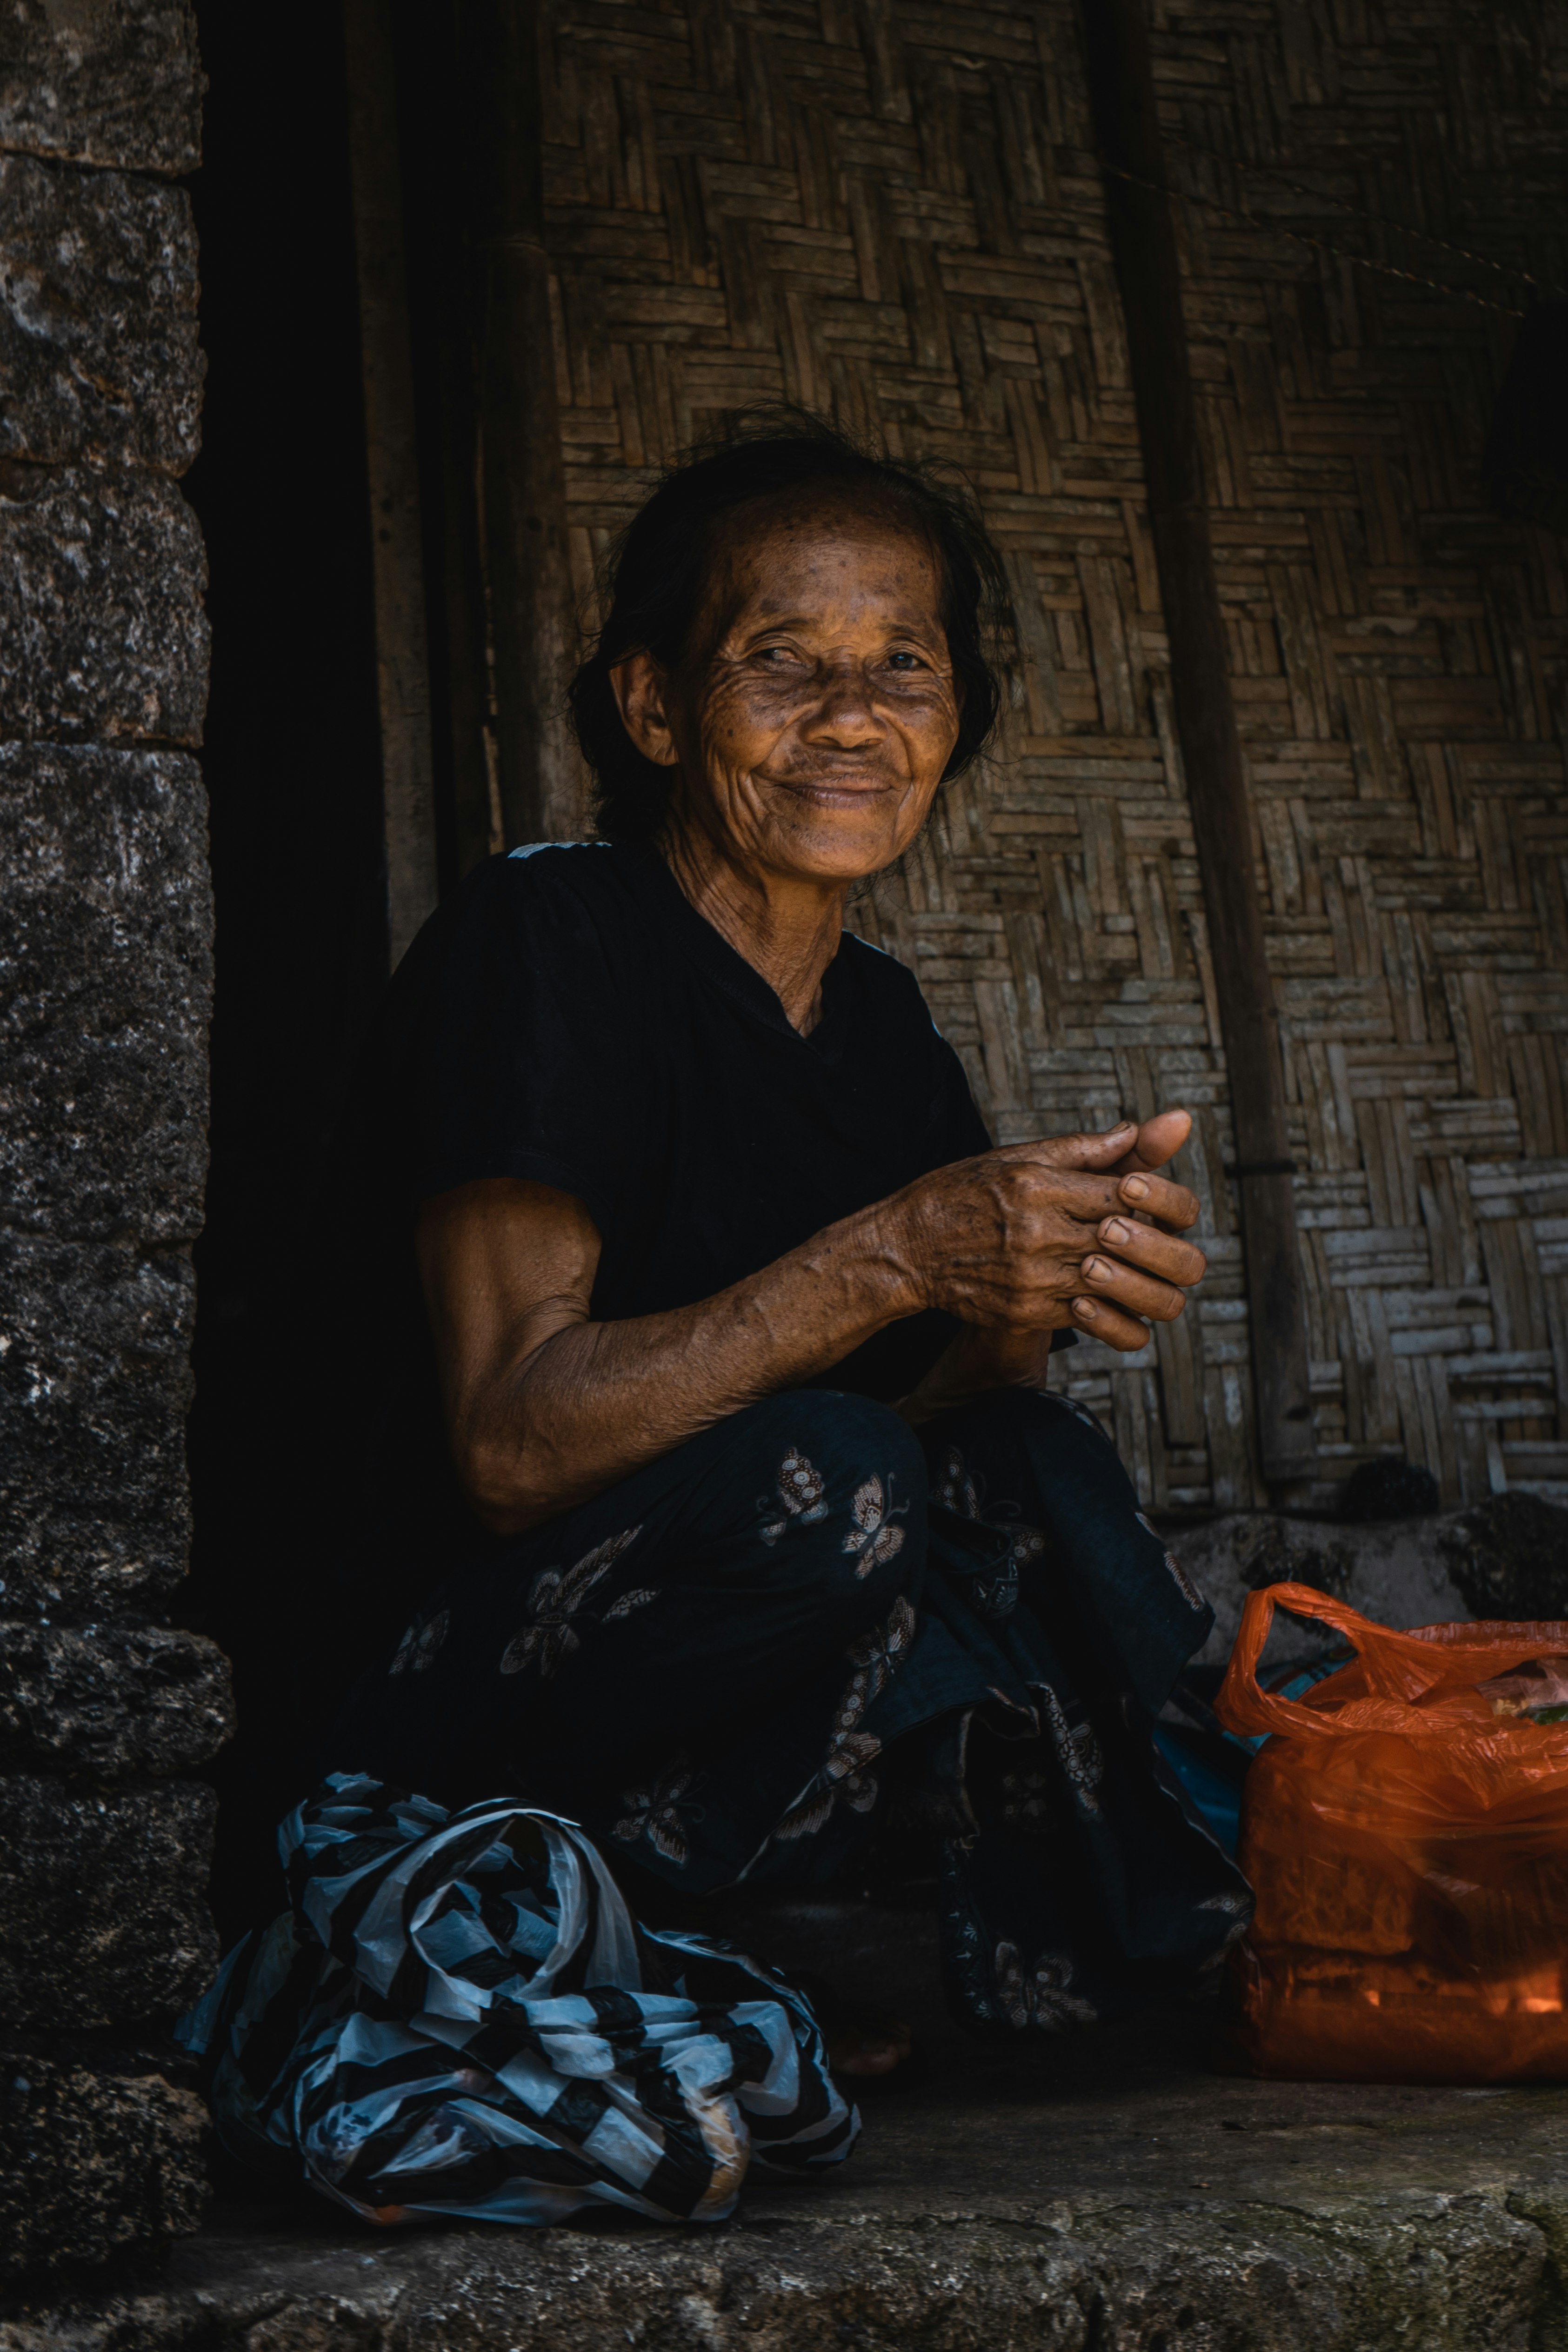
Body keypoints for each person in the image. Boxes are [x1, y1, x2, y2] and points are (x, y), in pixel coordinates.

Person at [182, 411, 1249, 2229]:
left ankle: (1207, 1927)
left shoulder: (884, 1026)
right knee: (828, 1473)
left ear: (959, 710)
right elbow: (513, 1443)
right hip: (408, 1694)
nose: (853, 715)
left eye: (903, 663)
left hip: (685, 1590)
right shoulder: (554, 941)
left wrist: (1018, 1307)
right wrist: (902, 1251)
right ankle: (565, 1922)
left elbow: (926, 1425)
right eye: (784, 663)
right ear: (659, 709)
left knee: (1023, 1451)